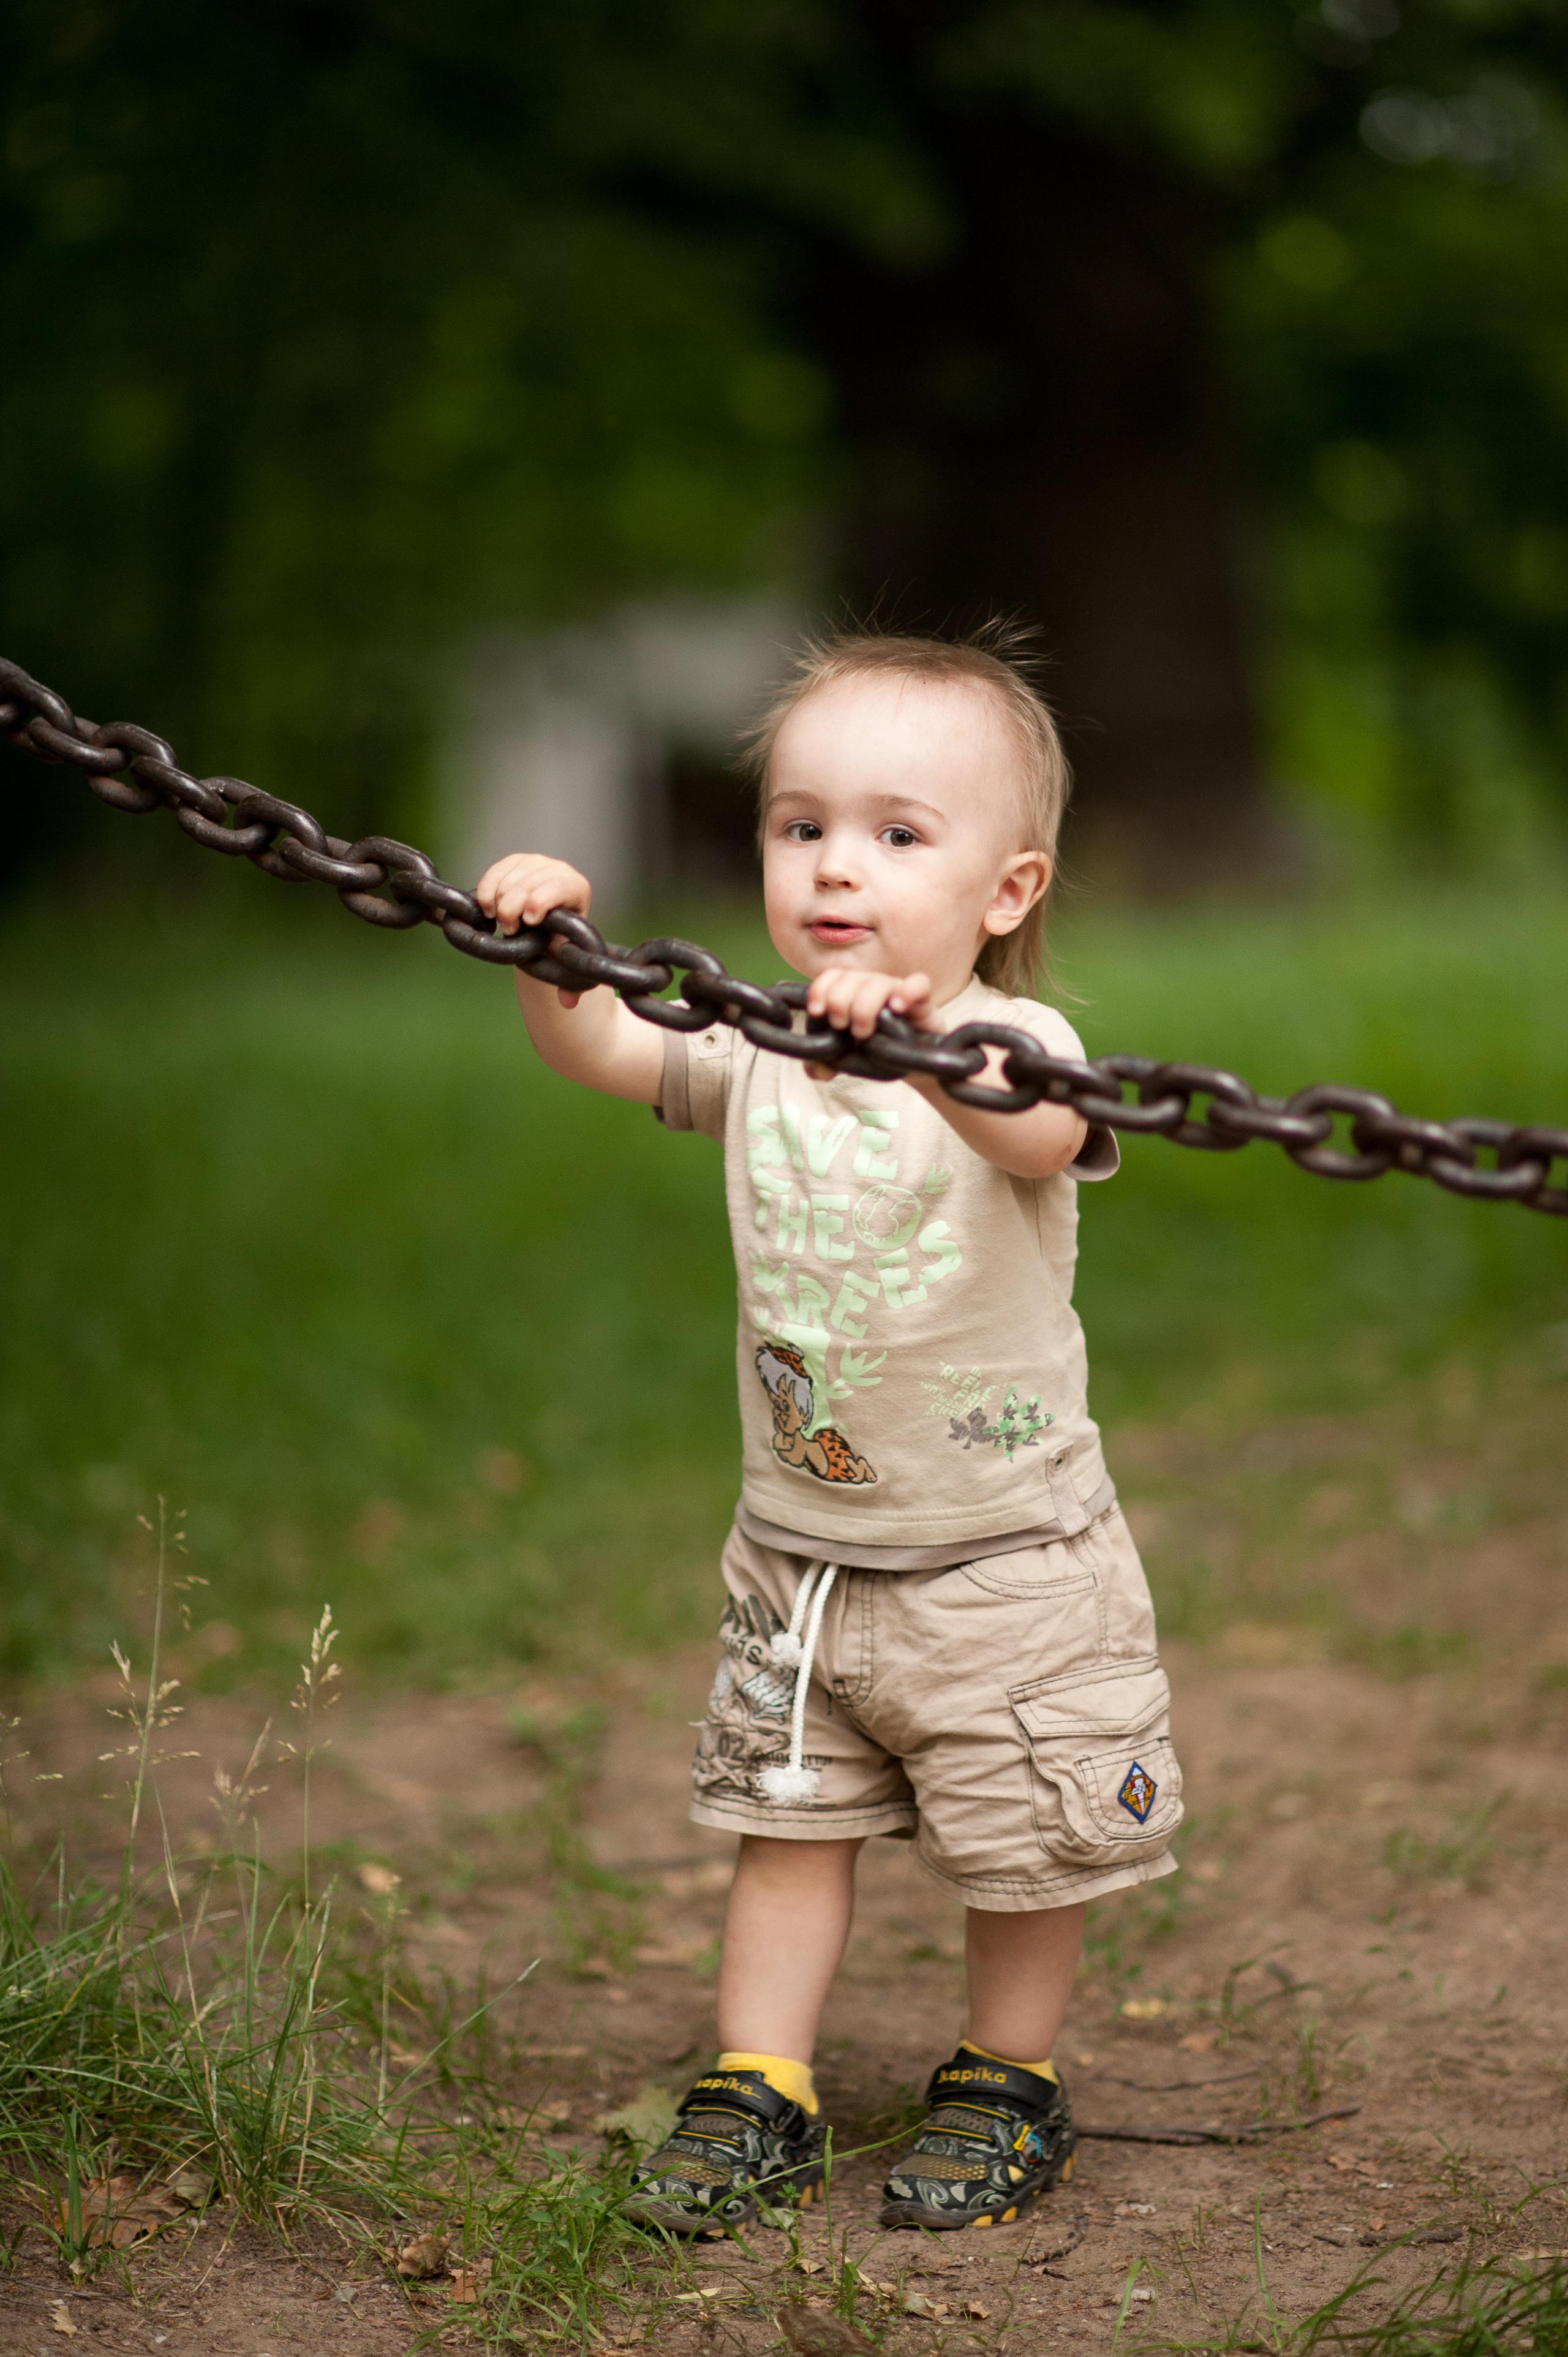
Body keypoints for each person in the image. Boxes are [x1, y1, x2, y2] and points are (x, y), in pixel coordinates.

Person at [476, 627, 1183, 2238]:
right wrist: (550, 948)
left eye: (895, 834)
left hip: (1006, 1558)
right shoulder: (765, 1048)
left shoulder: (1017, 1041)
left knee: (1029, 1851)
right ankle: (761, 2087)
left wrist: (919, 1058)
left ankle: (1007, 2081)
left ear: (1006, 892)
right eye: (802, 828)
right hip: (799, 1562)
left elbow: (1045, 1132)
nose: (834, 869)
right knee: (783, 1832)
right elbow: (607, 1050)